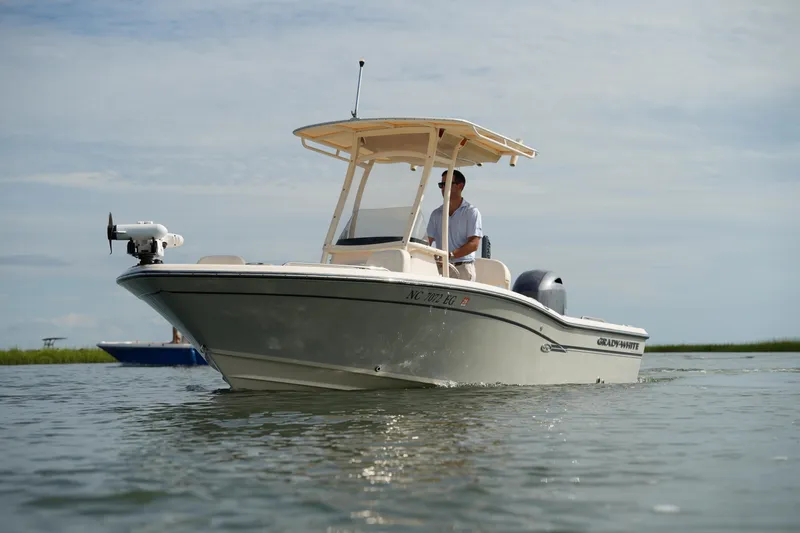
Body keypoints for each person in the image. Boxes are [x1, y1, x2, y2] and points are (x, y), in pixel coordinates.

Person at [426, 169, 482, 281]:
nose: (443, 188)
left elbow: (474, 244)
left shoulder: (471, 212)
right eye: (441, 185)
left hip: (463, 269)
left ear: (460, 186)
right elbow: (426, 242)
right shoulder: (436, 214)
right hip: (441, 270)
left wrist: (449, 255)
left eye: (446, 184)